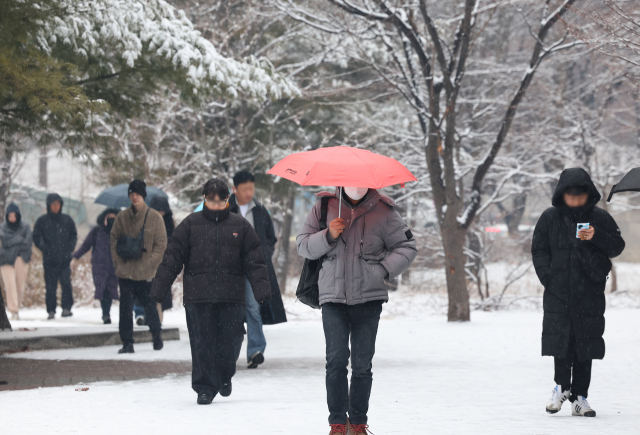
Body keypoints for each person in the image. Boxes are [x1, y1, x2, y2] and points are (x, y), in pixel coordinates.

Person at [297, 186, 417, 435]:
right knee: (336, 361)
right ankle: (338, 424)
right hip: (333, 298)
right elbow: (303, 245)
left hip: (369, 298)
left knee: (362, 365)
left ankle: (359, 424)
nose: (355, 185)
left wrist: (381, 270)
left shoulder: (384, 210)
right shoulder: (324, 206)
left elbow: (407, 246)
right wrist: (328, 235)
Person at [151, 177, 271, 405]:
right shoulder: (190, 225)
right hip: (199, 295)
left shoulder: (240, 226)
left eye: (221, 200)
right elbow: (172, 258)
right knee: (202, 342)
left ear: (228, 200)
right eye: (211, 200)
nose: (216, 204)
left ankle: (225, 374)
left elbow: (255, 260)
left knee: (232, 340)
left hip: (232, 295)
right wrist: (159, 288)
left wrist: (261, 289)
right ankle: (204, 387)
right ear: (204, 199)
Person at [532, 168, 625, 418]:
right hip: (558, 292)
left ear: (588, 194)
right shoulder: (549, 218)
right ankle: (561, 387)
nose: (575, 201)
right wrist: (548, 277)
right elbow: (539, 250)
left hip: (589, 292)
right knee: (561, 342)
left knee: (586, 344)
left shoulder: (600, 218)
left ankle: (580, 397)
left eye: (580, 196)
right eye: (570, 196)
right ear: (562, 195)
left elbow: (617, 246)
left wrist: (597, 235)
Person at [229, 170, 287, 369]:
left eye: (251, 188)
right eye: (244, 189)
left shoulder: (260, 210)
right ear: (234, 189)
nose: (248, 192)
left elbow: (270, 237)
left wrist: (264, 254)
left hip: (253, 268)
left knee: (254, 308)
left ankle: (255, 350)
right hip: (229, 270)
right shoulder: (225, 209)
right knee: (231, 310)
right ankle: (228, 351)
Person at [110, 180, 167, 354]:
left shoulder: (154, 217)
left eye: (138, 194)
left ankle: (156, 334)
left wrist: (151, 263)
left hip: (146, 271)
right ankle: (127, 342)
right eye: (132, 194)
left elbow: (161, 244)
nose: (135, 197)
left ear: (143, 196)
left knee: (150, 306)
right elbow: (113, 241)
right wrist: (118, 263)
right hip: (126, 271)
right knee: (125, 309)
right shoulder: (122, 217)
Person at [71, 208, 119, 324]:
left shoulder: (121, 232)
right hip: (99, 265)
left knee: (111, 289)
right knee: (103, 289)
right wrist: (75, 257)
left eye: (114, 218)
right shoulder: (97, 231)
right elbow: (86, 245)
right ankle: (105, 314)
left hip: (115, 266)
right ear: (104, 218)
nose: (112, 221)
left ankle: (107, 313)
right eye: (109, 218)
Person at [33, 193, 77, 319]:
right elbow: (36, 237)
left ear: (61, 205)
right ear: (49, 205)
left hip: (64, 259)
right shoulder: (42, 221)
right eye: (53, 204)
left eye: (58, 204)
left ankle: (67, 309)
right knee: (51, 286)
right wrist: (45, 249)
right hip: (49, 260)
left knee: (66, 284)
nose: (56, 206)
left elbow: (73, 235)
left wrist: (69, 248)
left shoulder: (67, 220)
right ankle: (51, 310)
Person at [0, 203, 32, 321]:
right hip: (6, 260)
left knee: (20, 286)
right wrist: (19, 240)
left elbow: (28, 242)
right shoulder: (3, 228)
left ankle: (17, 307)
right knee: (10, 285)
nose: (12, 218)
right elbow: (5, 241)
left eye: (14, 216)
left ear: (18, 216)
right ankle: (13, 310)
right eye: (10, 216)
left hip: (21, 259)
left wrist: (14, 242)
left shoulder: (25, 227)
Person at [148, 195, 175, 323]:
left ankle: (158, 325)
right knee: (149, 296)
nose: (161, 213)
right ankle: (152, 323)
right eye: (158, 210)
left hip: (164, 265)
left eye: (163, 211)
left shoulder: (169, 224)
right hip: (148, 264)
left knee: (159, 297)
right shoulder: (147, 222)